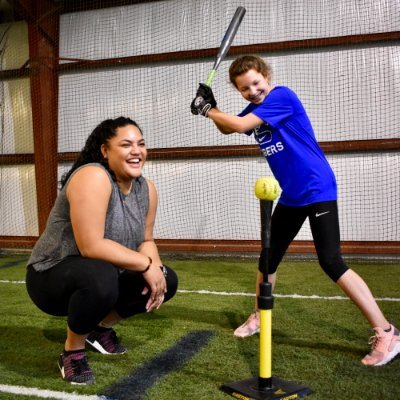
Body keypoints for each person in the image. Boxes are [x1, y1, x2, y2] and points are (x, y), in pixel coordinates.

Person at [190, 55, 400, 366]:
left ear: (267, 77)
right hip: (292, 194)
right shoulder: (256, 108)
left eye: (256, 83)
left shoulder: (281, 96)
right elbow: (229, 129)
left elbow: (239, 124)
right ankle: (261, 316)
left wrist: (209, 109)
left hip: (316, 188)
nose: (253, 91)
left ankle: (387, 333)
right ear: (239, 91)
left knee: (331, 261)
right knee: (268, 257)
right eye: (245, 89)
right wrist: (213, 110)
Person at [26, 117, 178, 384]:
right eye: (126, 144)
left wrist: (155, 269)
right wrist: (144, 265)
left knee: (168, 278)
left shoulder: (147, 189)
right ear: (105, 151)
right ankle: (72, 351)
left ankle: (100, 329)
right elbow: (90, 245)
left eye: (141, 144)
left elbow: (146, 239)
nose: (137, 151)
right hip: (50, 275)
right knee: (101, 276)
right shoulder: (92, 176)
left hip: (98, 272)